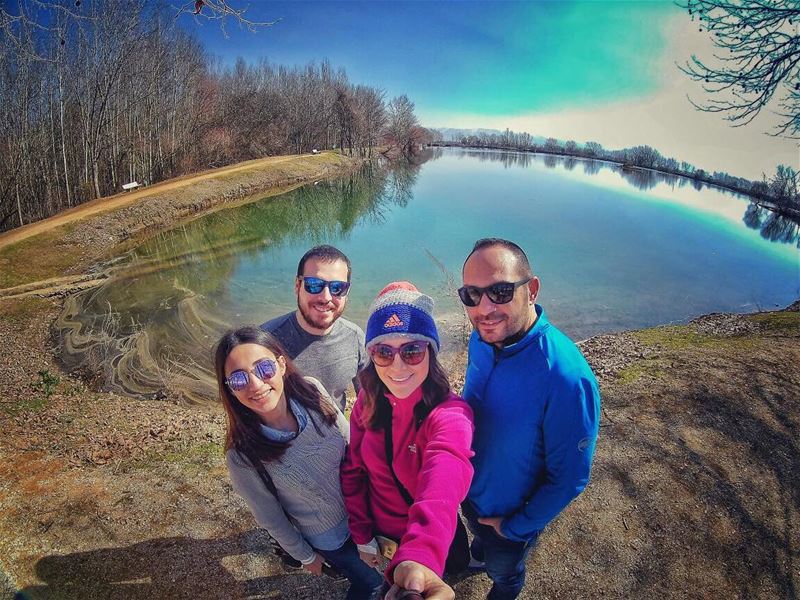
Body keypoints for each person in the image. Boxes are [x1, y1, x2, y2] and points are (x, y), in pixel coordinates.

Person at [458, 238, 601, 600]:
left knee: (504, 572)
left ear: (531, 289)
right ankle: (479, 550)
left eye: (501, 291)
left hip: (509, 520)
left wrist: (514, 527)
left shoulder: (566, 377)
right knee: (481, 544)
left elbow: (569, 478)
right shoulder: (482, 339)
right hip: (471, 496)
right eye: (472, 295)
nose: (485, 308)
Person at [215, 326, 382, 600]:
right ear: (229, 389)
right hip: (330, 537)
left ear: (281, 364)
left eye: (264, 368)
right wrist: (304, 556)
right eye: (238, 379)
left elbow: (352, 446)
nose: (255, 385)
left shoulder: (313, 392)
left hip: (365, 510)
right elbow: (270, 517)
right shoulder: (242, 456)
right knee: (373, 585)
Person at [341, 282, 474, 594]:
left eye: (412, 350)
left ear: (431, 351)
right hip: (380, 530)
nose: (397, 365)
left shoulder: (450, 415)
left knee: (453, 567)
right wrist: (361, 535)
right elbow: (353, 470)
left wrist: (421, 556)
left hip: (431, 534)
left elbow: (444, 477)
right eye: (383, 351)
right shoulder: (367, 401)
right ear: (371, 355)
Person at [261, 245, 365, 411]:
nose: (326, 297)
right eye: (314, 285)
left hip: (336, 434)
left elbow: (368, 401)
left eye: (337, 288)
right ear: (297, 286)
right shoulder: (266, 340)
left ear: (347, 292)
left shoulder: (355, 337)